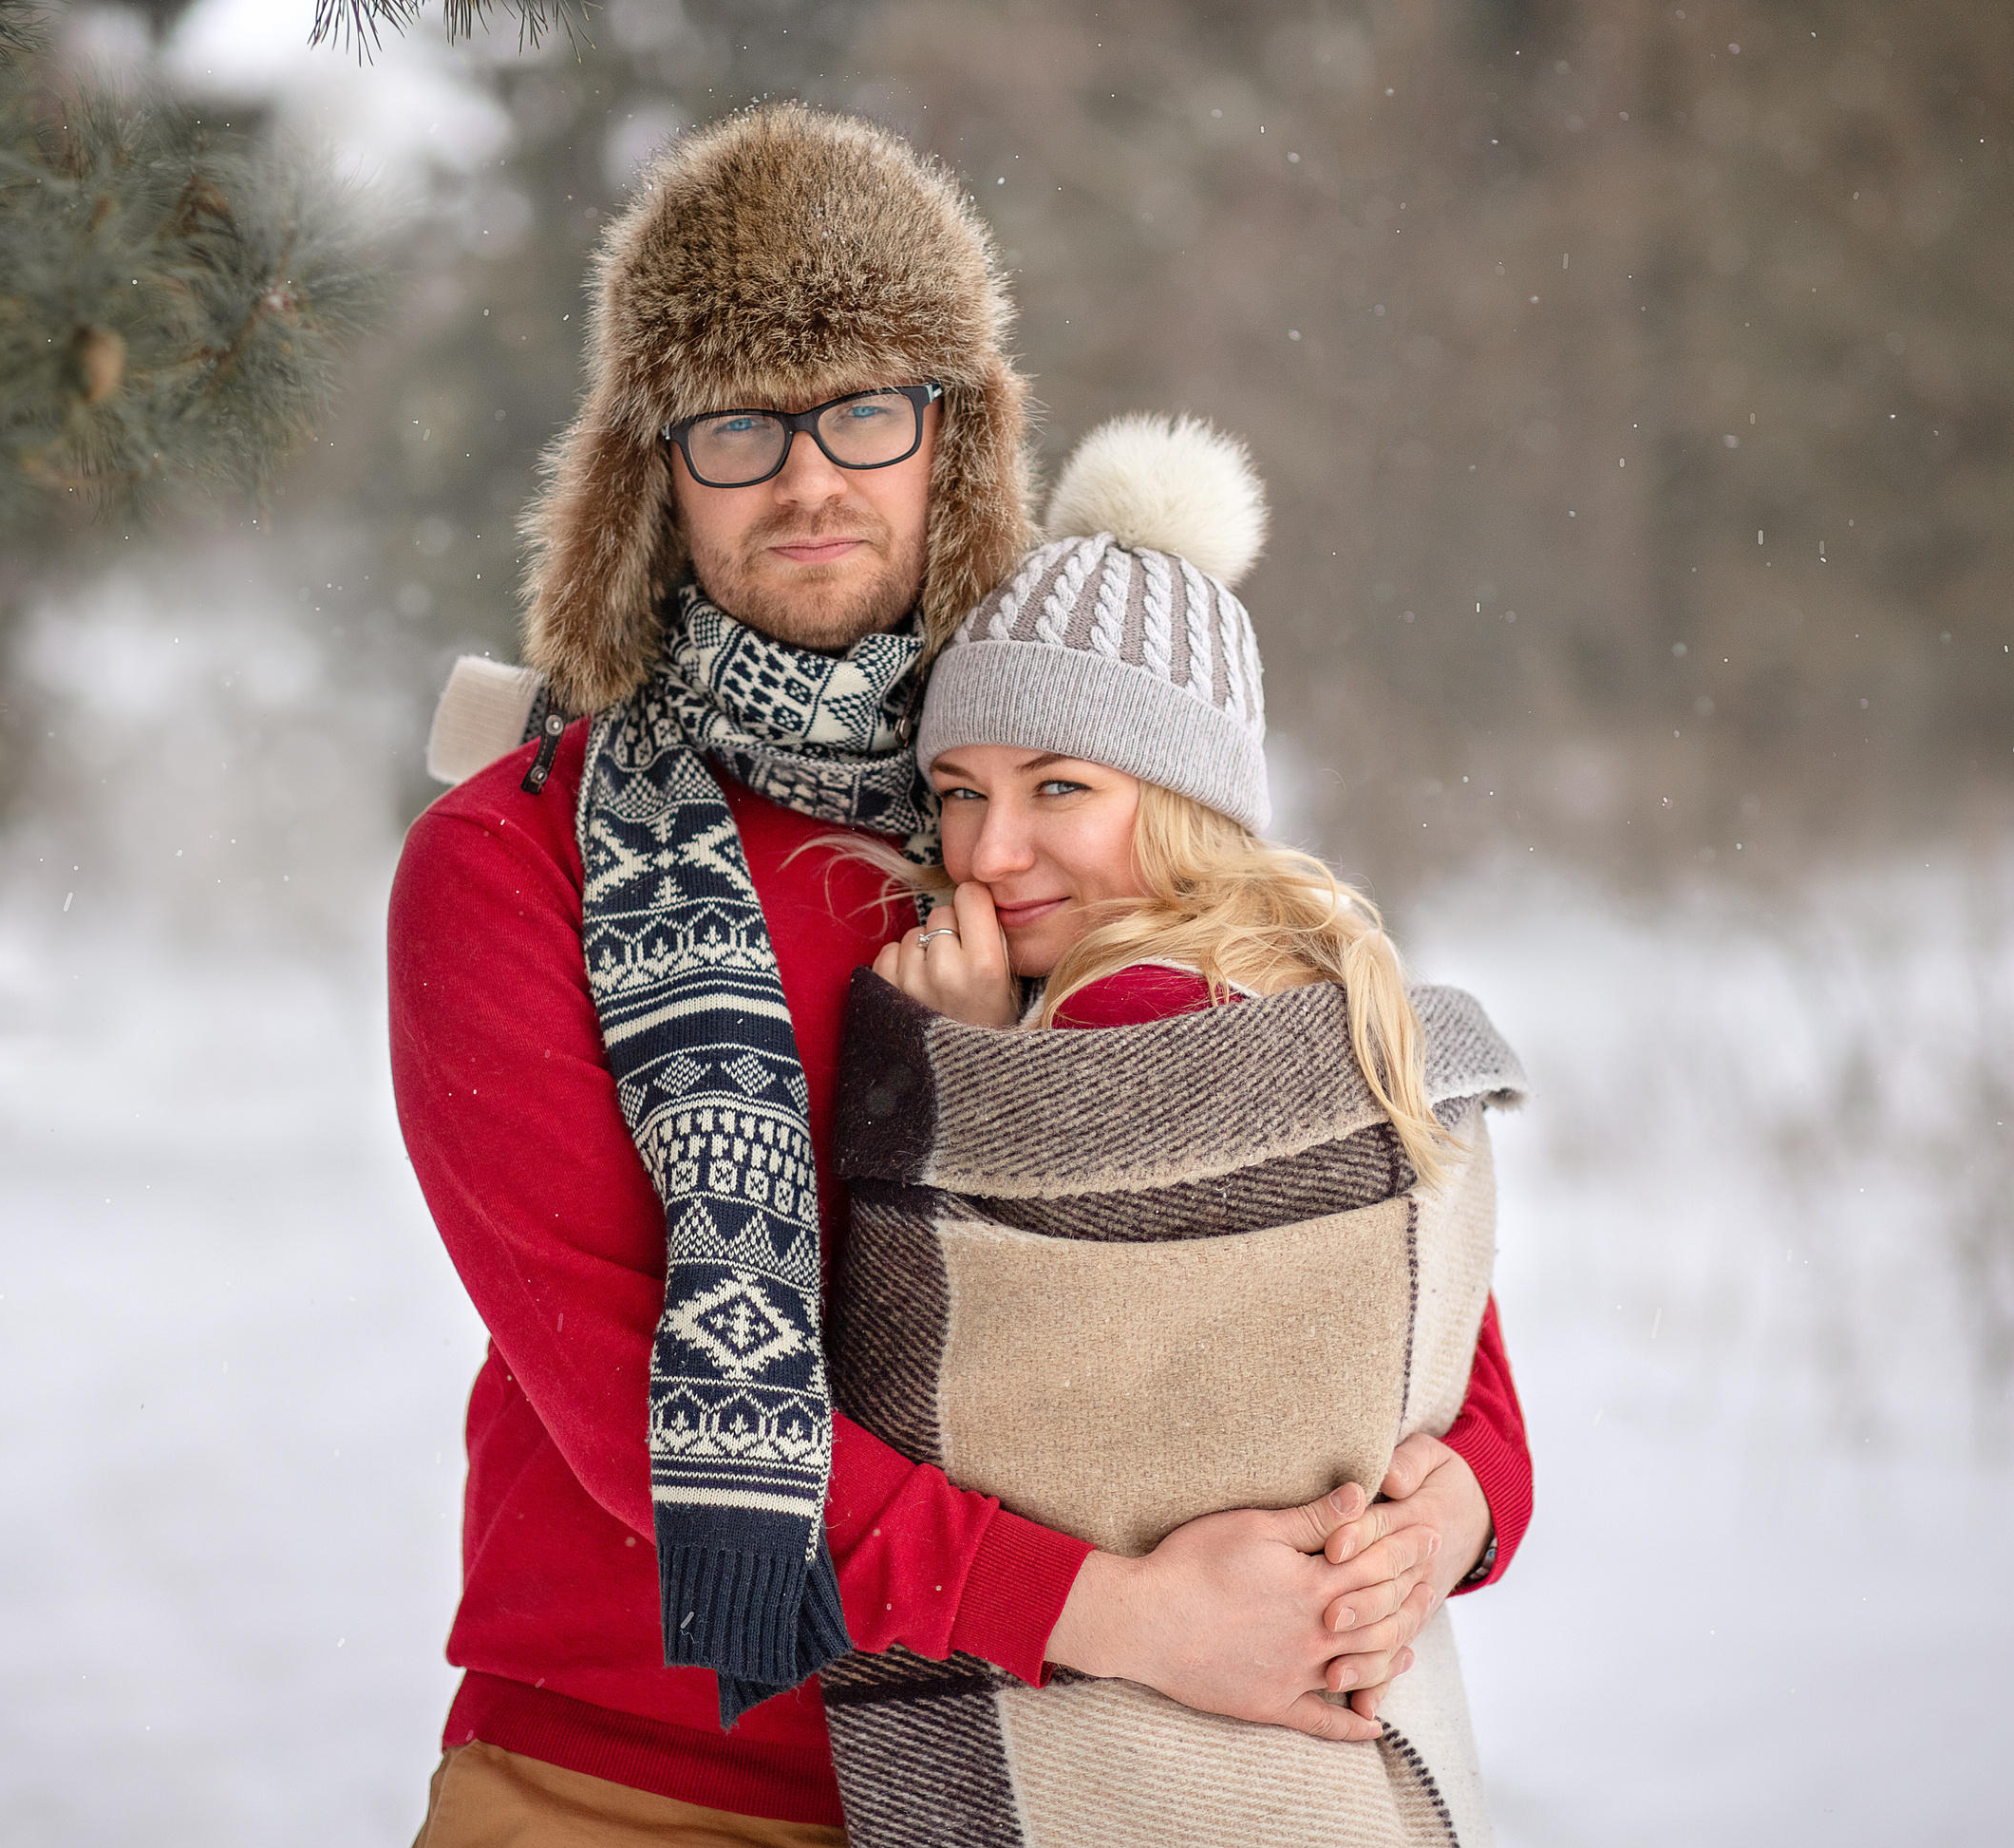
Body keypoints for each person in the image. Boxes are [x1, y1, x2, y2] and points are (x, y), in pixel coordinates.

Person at [387, 107, 1531, 1846]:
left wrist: (1442, 1516)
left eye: (867, 408)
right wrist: (1128, 1612)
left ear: (955, 440)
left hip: (1066, 1780)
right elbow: (633, 1393)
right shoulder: (511, 860)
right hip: (646, 1772)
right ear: (652, 470)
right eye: (738, 424)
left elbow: (1367, 1264)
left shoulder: (1054, 809)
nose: (808, 478)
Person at [825, 413, 1528, 1843]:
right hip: (1339, 1773)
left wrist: (935, 1065)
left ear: (1190, 797)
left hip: (1118, 1770)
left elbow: (887, 1376)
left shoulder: (1120, 1023)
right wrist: (1451, 1517)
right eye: (958, 794)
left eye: (1059, 788)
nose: (990, 852)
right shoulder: (1352, 1022)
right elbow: (1464, 1383)